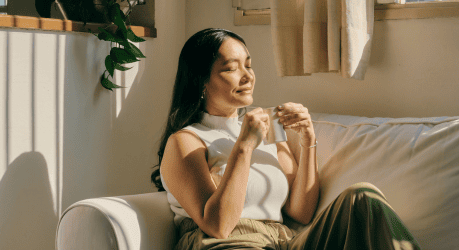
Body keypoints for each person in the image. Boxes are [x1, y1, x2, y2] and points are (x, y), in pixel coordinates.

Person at [151, 28, 420, 250]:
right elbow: (218, 225)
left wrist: (307, 139)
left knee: (362, 197)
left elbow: (300, 212)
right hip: (228, 243)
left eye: (249, 65)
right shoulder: (186, 141)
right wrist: (244, 145)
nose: (247, 76)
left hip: (283, 242)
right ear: (201, 82)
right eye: (231, 68)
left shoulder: (264, 127)